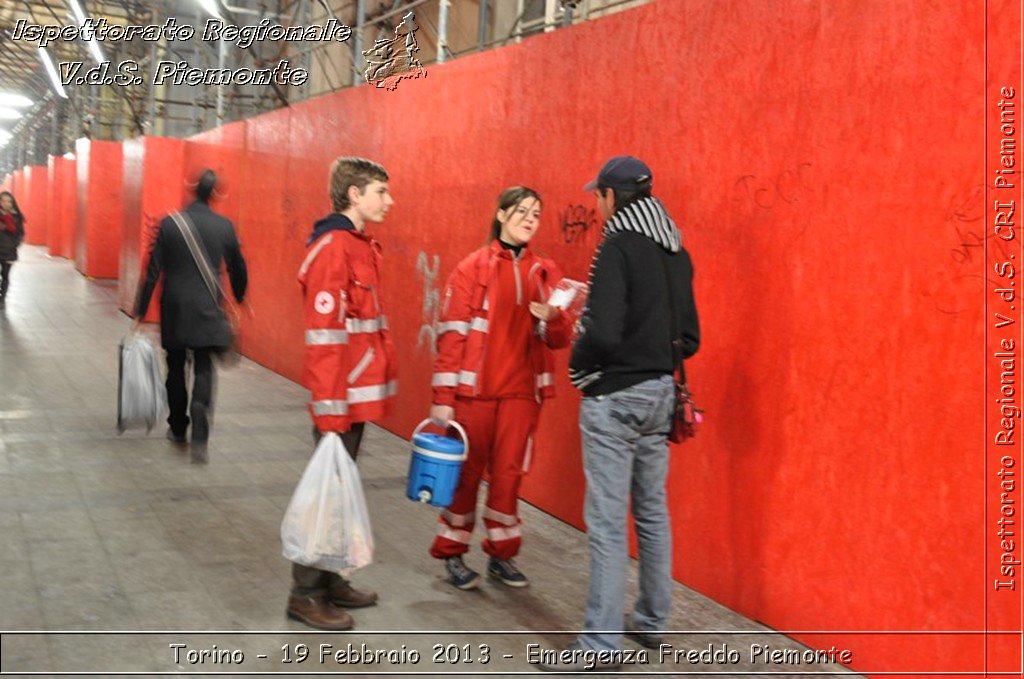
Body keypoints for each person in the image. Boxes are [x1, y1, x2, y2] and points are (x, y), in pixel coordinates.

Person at [541, 156, 699, 672]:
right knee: (652, 513)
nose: (597, 204)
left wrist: (582, 365)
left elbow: (602, 331)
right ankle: (652, 622)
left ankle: (600, 649)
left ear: (611, 197)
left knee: (608, 523)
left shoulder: (616, 247)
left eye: (599, 196)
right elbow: (692, 338)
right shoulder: (676, 250)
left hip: (616, 397)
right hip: (661, 393)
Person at [427, 186, 571, 590]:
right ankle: (452, 552)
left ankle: (501, 556)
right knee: (466, 477)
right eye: (522, 211)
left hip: (523, 395)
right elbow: (451, 337)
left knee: (509, 477)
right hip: (475, 397)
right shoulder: (472, 268)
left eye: (536, 213)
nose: (530, 219)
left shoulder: (547, 273)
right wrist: (444, 400)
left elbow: (560, 339)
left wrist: (554, 319)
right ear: (503, 215)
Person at [287, 156, 397, 631]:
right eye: (381, 192)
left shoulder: (357, 245)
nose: (389, 201)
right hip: (339, 400)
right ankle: (305, 592)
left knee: (340, 489)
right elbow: (325, 336)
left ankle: (331, 582)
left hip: (353, 397)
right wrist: (331, 411)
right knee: (327, 495)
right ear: (354, 194)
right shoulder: (335, 248)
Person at [134, 170, 248, 463]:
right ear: (214, 194)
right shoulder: (224, 226)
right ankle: (200, 420)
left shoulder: (170, 223)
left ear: (193, 190)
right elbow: (238, 266)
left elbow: (153, 270)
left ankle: (177, 426)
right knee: (203, 366)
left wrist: (140, 310)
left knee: (174, 367)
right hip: (207, 307)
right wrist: (239, 295)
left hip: (174, 307)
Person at [0, 191, 26, 308]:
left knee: (5, 275)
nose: (6, 203)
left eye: (9, 201)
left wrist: (14, 245)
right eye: (3, 200)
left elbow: (21, 234)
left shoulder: (16, 217)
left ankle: (2, 298)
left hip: (8, 251)